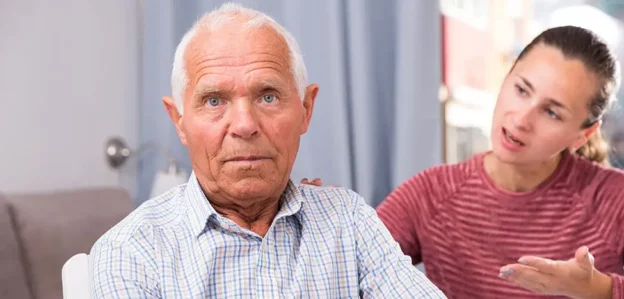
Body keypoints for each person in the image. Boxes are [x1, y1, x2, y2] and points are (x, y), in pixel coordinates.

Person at [305, 26, 624, 298]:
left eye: (552, 112)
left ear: (583, 133)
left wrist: (600, 289)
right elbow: (352, 273)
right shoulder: (431, 194)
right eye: (521, 89)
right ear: (505, 79)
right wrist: (325, 228)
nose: (521, 118)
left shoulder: (614, 199)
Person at [88, 3, 445, 298]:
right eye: (214, 100)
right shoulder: (131, 253)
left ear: (306, 109)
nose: (244, 125)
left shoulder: (348, 221)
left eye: (268, 96)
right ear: (179, 119)